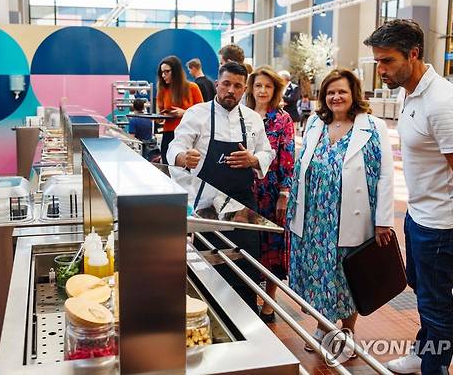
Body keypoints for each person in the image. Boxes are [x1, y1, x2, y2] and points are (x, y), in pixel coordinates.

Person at [364, 19, 453, 374]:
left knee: (436, 302)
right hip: (419, 214)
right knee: (419, 285)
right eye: (378, 62)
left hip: (441, 223)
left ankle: (435, 366)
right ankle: (423, 351)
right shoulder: (410, 91)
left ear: (413, 54)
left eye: (387, 61)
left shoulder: (442, 103)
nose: (381, 70)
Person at [286, 68, 394, 349]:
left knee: (348, 274)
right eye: (330, 92)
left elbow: (385, 175)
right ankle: (323, 326)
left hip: (351, 214)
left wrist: (384, 220)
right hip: (314, 217)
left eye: (342, 91)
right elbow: (301, 166)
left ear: (353, 94)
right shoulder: (314, 124)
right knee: (318, 272)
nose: (336, 97)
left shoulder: (373, 126)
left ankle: (347, 331)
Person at [168, 61, 275, 312]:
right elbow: (175, 145)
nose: (231, 90)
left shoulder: (252, 119)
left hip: (243, 206)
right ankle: (211, 315)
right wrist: (182, 158)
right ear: (217, 83)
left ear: (244, 89)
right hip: (207, 205)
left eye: (238, 86)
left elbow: (266, 151)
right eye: (226, 84)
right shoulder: (197, 114)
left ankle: (247, 318)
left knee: (246, 266)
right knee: (210, 265)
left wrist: (253, 159)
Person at [244, 65, 294, 323]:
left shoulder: (282, 119)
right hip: (244, 190)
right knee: (249, 245)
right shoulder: (241, 115)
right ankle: (248, 295)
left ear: (275, 90)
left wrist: (284, 193)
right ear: (250, 88)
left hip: (272, 191)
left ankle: (269, 302)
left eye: (268, 86)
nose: (262, 90)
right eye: (258, 85)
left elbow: (287, 157)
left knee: (272, 246)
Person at [156, 56, 203, 164]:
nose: (163, 75)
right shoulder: (162, 90)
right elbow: (160, 113)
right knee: (168, 167)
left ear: (176, 71)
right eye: (162, 72)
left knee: (187, 169)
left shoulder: (192, 87)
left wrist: (184, 113)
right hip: (169, 133)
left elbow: (202, 112)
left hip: (189, 134)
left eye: (167, 72)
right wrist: (158, 117)